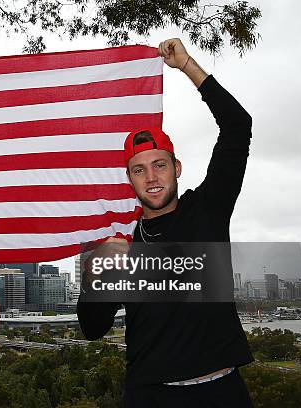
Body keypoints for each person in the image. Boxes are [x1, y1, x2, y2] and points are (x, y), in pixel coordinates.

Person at [77, 38, 254, 407]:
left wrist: (188, 66)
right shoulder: (123, 246)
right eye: (139, 170)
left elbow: (238, 126)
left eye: (160, 165)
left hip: (221, 391)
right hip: (150, 395)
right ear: (130, 181)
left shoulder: (207, 210)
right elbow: (93, 329)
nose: (152, 177)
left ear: (176, 168)